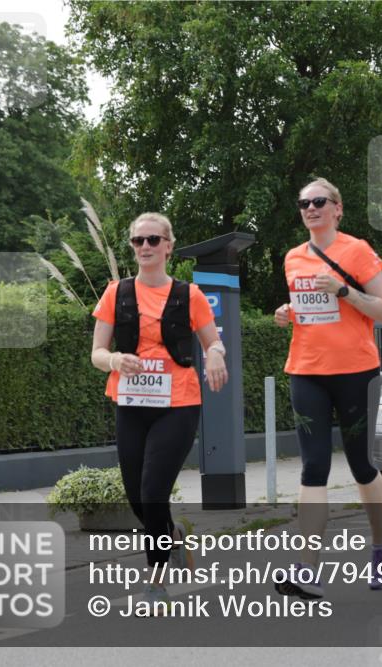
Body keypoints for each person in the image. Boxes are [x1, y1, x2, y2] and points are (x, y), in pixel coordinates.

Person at [91, 212, 226, 613]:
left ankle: (155, 581)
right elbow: (97, 353)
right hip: (131, 404)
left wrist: (215, 358)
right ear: (132, 247)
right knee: (136, 496)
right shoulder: (116, 293)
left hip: (178, 405)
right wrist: (115, 359)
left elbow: (213, 342)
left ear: (168, 245)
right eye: (138, 241)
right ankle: (172, 533)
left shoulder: (190, 295)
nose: (145, 247)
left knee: (153, 491)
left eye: (153, 240)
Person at [272, 178, 382, 597]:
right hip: (306, 370)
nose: (311, 208)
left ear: (337, 208)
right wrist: (287, 312)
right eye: (304, 202)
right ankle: (307, 569)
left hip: (356, 371)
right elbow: (307, 308)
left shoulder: (356, 250)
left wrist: (343, 290)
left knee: (362, 466)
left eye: (319, 201)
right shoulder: (292, 258)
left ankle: (381, 545)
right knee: (313, 468)